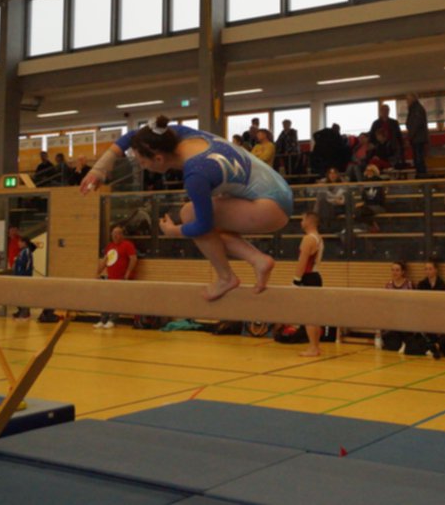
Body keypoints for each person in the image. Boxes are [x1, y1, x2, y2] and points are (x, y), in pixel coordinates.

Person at [81, 115, 290, 301]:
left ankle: (226, 277)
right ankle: (258, 260)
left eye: (143, 162)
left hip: (269, 208)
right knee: (209, 227)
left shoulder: (196, 173)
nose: (142, 167)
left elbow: (202, 225)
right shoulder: (175, 134)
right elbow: (131, 137)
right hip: (278, 192)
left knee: (189, 214)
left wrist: (174, 231)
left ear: (158, 158)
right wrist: (98, 170)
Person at [293, 211, 324, 357]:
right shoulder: (319, 238)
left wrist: (295, 281)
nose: (301, 222)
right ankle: (315, 346)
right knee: (314, 315)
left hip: (308, 277)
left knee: (308, 315)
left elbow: (303, 262)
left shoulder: (308, 239)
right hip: (316, 277)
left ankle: (312, 347)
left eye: (302, 219)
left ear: (309, 221)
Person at [95, 225, 138, 327]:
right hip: (111, 278)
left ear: (122, 235)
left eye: (117, 233)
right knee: (106, 299)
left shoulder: (127, 245)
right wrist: (98, 273)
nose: (115, 235)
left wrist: (127, 273)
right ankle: (103, 320)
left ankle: (112, 320)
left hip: (121, 278)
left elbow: (133, 259)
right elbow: (105, 260)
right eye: (113, 233)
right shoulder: (110, 246)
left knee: (116, 299)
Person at [405, 93, 429, 178]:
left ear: (413, 99)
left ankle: (421, 176)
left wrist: (410, 137)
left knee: (418, 159)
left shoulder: (416, 109)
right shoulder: (416, 108)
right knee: (418, 158)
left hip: (418, 138)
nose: (407, 101)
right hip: (417, 138)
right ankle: (420, 175)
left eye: (408, 99)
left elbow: (415, 124)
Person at [12, 238, 36, 320]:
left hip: (24, 277)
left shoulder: (27, 251)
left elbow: (27, 264)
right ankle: (21, 310)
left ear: (24, 243)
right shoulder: (21, 251)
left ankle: (25, 313)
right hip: (18, 276)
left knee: (24, 295)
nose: (18, 243)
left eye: (20, 242)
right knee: (18, 295)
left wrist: (17, 260)